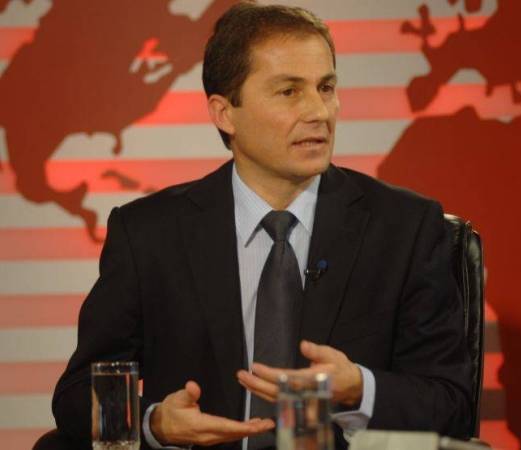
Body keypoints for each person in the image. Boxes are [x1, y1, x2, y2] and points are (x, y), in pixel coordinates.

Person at [52, 3, 471, 449]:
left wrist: (359, 390)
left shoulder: (404, 229)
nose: (319, 112)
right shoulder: (149, 235)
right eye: (289, 91)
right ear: (224, 113)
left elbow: (452, 405)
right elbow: (78, 395)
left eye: (326, 87)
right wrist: (154, 425)